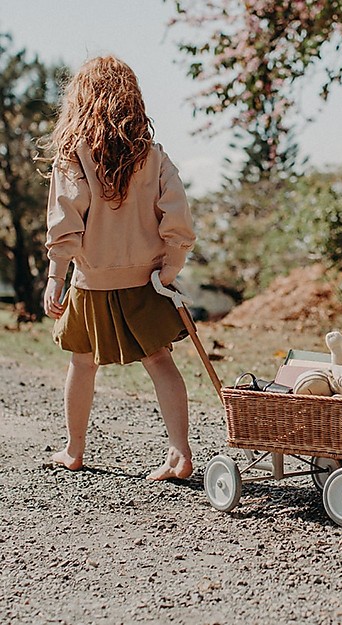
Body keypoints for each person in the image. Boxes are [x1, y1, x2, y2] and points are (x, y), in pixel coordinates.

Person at [43, 55, 196, 481]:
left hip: (91, 281)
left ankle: (74, 449)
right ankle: (180, 452)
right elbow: (177, 215)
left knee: (81, 362)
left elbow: (64, 219)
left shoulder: (74, 156)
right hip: (145, 280)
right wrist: (170, 265)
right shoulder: (153, 155)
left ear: (81, 101)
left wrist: (56, 275)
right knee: (160, 360)